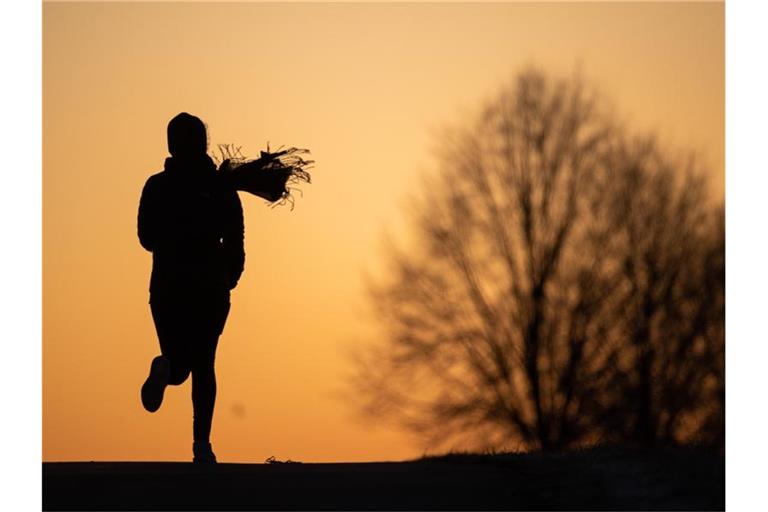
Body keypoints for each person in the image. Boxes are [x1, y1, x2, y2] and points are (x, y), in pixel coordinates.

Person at [137, 113, 245, 463]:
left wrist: (174, 236)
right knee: (203, 364)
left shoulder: (155, 186)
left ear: (171, 145)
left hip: (167, 287)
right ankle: (202, 446)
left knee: (179, 366)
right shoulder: (221, 188)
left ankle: (164, 368)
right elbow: (236, 235)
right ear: (204, 144)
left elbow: (145, 238)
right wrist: (230, 273)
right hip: (209, 287)